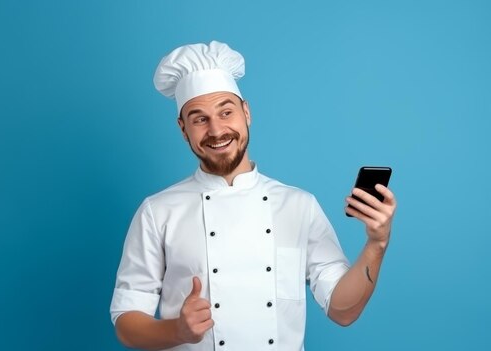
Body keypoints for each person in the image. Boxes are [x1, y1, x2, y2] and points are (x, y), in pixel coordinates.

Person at [109, 41, 397, 351]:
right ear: (183, 129)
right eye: (199, 119)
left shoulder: (298, 205)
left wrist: (376, 243)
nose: (217, 130)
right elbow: (127, 321)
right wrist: (178, 331)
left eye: (226, 112)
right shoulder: (158, 211)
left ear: (246, 112)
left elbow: (343, 311)